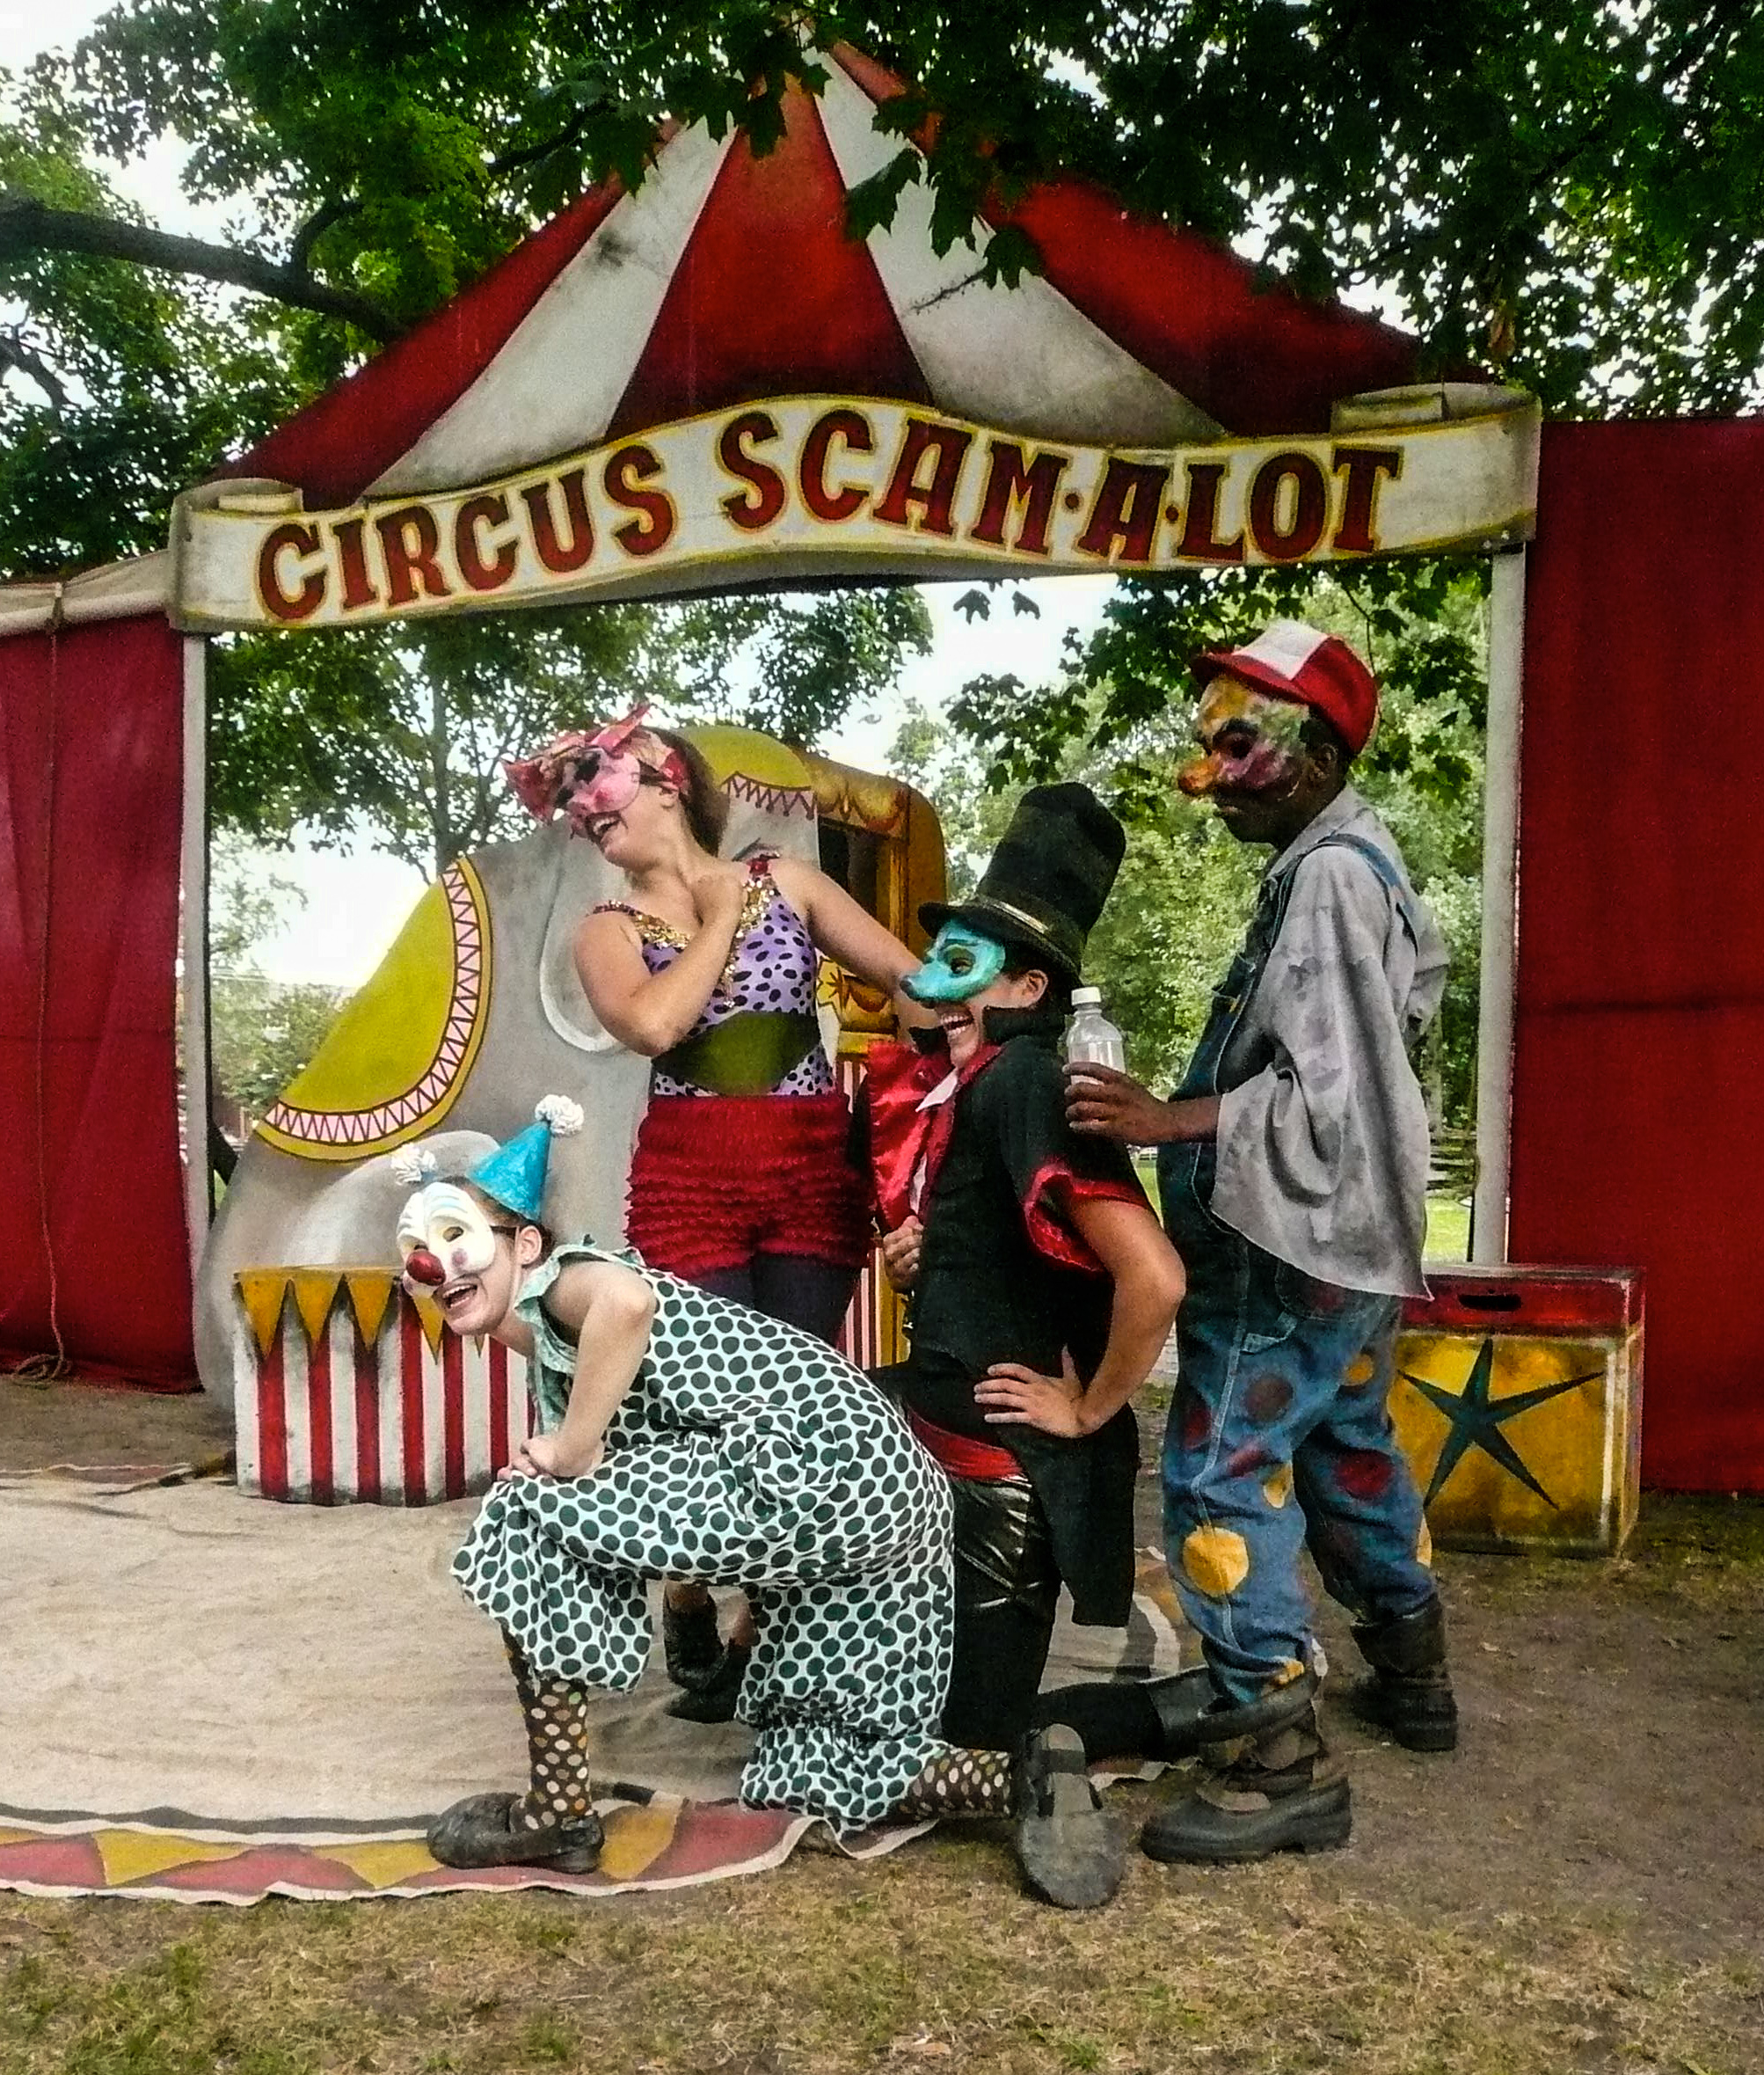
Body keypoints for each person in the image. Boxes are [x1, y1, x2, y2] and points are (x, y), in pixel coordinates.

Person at [397, 1100, 1126, 1910]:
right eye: (415, 1249)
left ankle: (558, 1810)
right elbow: (654, 1452)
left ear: (525, 1244)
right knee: (811, 1765)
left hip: (818, 1464)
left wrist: (572, 1451)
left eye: (453, 1234)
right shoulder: (548, 1336)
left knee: (530, 1512)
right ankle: (1029, 1777)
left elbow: (627, 1307)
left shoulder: (572, 1278)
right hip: (886, 1490)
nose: (431, 1264)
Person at [1064, 619, 1457, 1867]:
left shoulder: (1330, 876)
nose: (1206, 777)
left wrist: (1165, 1116)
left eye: (1236, 745)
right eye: (1206, 747)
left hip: (1287, 1248)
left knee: (1224, 1469)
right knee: (1344, 1445)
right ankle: (1413, 1676)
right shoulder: (1351, 860)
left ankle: (1279, 1755)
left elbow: (1335, 1091)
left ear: (1317, 748)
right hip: (1349, 1250)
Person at [507, 707, 928, 1719]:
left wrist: (989, 1030)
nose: (582, 813)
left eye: (592, 785)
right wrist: (725, 917)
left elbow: (914, 985)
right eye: (571, 805)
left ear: (663, 775)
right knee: (704, 1403)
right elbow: (655, 1024)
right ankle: (691, 1581)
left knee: (793, 1406)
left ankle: (757, 1630)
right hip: (689, 1179)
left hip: (809, 1172)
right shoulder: (603, 930)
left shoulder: (791, 880)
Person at [865, 784, 1193, 1759]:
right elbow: (1030, 1252)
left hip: (997, 1483)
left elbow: (1154, 1277)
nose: (932, 986)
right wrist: (943, 1254)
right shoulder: (984, 1085)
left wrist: (1087, 1408)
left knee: (976, 1739)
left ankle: (1209, 1705)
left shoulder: (1025, 1079)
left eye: (962, 967)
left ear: (1029, 990)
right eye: (934, 963)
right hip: (932, 1444)